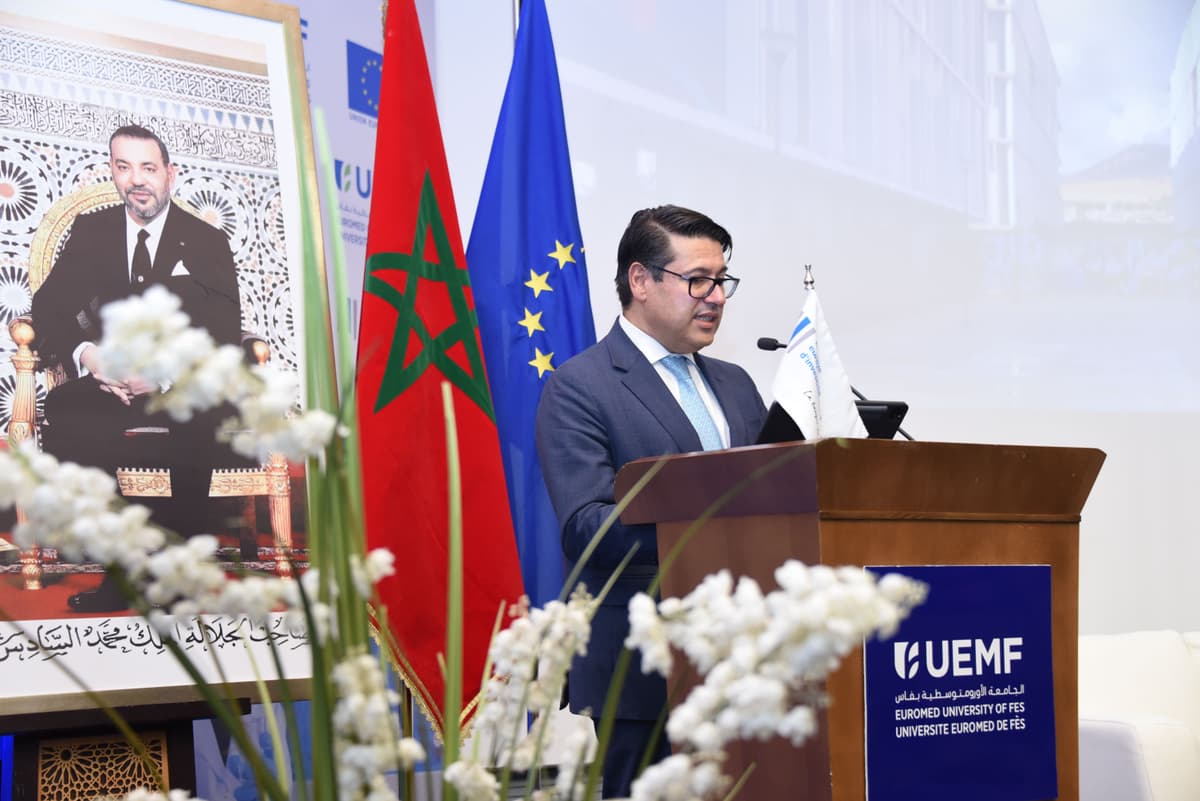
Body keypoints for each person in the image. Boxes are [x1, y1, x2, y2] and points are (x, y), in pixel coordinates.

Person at [535, 205, 768, 798]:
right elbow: (587, 527)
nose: (716, 297)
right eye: (699, 280)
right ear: (640, 280)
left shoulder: (737, 384)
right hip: (645, 672)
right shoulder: (580, 386)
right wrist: (718, 527)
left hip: (749, 664)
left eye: (722, 280)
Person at [31, 124, 243, 613]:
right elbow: (48, 309)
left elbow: (224, 333)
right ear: (112, 171)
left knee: (200, 412)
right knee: (66, 408)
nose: (137, 180)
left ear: (170, 173)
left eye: (148, 167)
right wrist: (90, 357)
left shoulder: (207, 241)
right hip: (111, 379)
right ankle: (120, 567)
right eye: (124, 167)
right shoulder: (93, 232)